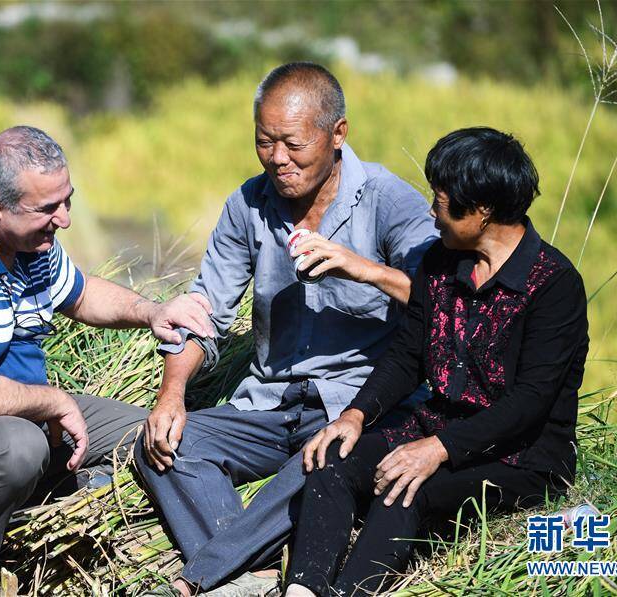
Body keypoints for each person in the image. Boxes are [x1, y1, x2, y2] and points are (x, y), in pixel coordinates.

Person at [136, 62, 438, 596]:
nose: (278, 159)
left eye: (293, 144)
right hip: (268, 403)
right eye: (264, 142)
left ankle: (200, 577)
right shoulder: (247, 205)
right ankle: (254, 572)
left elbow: (442, 301)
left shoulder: (390, 201)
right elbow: (203, 314)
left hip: (356, 407)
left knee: (328, 465)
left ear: (338, 133)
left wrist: (359, 266)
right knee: (163, 446)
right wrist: (171, 393)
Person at [284, 127, 590, 596]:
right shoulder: (440, 262)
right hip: (434, 428)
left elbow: (531, 401)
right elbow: (408, 355)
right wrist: (355, 414)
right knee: (332, 461)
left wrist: (438, 449)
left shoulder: (554, 285)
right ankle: (301, 589)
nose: (432, 212)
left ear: (483, 210)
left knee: (406, 488)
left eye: (442, 201)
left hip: (521, 456)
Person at [0, 126, 215, 595]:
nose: (64, 219)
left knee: (154, 435)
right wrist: (56, 402)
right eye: (48, 208)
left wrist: (153, 312)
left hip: (17, 410)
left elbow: (79, 294)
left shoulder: (25, 237)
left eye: (67, 200)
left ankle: (55, 500)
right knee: (17, 448)